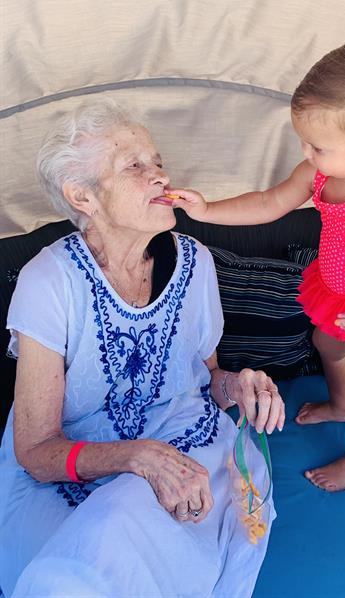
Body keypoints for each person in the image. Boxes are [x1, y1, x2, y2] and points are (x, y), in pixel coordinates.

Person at [0, 99, 285, 598]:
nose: (159, 176)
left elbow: (206, 378)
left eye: (157, 162)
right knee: (71, 570)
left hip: (185, 441)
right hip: (70, 468)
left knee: (129, 526)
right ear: (82, 196)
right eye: (135, 166)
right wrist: (137, 457)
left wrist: (238, 385)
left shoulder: (195, 262)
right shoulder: (48, 282)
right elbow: (37, 450)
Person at [168, 43, 345, 493]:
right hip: (341, 292)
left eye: (318, 145)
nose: (306, 152)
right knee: (325, 341)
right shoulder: (321, 171)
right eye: (304, 140)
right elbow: (269, 203)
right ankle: (339, 405)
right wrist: (207, 210)